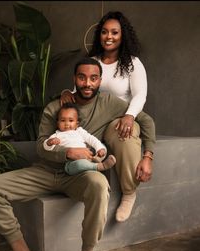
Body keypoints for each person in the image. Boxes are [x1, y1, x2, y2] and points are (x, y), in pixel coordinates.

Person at [0, 57, 155, 251]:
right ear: (74, 79)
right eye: (82, 77)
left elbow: (146, 120)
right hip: (46, 172)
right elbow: (41, 146)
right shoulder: (54, 108)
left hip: (79, 175)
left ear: (99, 81)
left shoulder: (110, 103)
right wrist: (67, 153)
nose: (87, 83)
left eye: (93, 78)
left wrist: (147, 156)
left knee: (99, 185)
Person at [60, 11, 148, 222]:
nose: (109, 36)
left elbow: (140, 94)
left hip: (120, 117)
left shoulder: (133, 63)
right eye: (104, 32)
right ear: (99, 35)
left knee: (122, 134)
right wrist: (66, 92)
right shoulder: (92, 61)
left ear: (122, 35)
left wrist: (129, 116)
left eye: (115, 32)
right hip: (93, 118)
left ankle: (128, 193)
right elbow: (80, 90)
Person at [44, 102, 116, 175]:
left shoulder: (80, 131)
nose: (67, 124)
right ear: (58, 123)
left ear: (77, 123)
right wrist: (50, 142)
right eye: (63, 120)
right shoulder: (57, 135)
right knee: (79, 165)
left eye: (71, 120)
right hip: (72, 163)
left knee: (102, 146)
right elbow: (46, 146)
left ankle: (97, 159)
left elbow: (91, 139)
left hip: (88, 157)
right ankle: (99, 166)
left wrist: (99, 148)